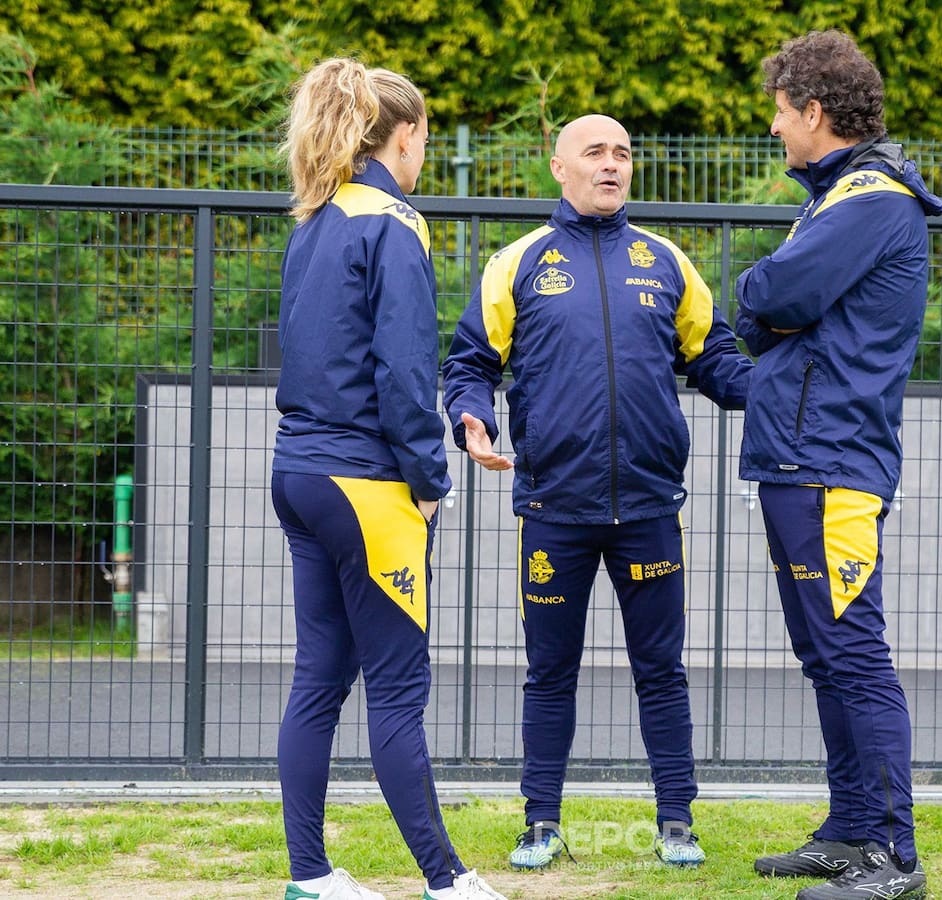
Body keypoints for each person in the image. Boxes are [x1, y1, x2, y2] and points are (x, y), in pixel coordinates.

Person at [442, 114, 753, 871]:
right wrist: (471, 417)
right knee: (550, 673)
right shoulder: (518, 262)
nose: (611, 165)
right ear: (560, 167)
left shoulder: (665, 260)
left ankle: (677, 822)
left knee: (662, 670)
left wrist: (776, 393)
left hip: (649, 507)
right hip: (554, 509)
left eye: (622, 154)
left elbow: (713, 355)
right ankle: (541, 823)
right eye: (595, 153)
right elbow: (471, 362)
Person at [271, 58, 507, 900]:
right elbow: (404, 371)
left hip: (298, 471)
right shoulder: (395, 222)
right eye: (425, 140)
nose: (424, 157)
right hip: (366, 485)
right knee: (399, 692)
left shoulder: (315, 216)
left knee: (319, 678)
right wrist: (430, 477)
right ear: (403, 136)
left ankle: (310, 876)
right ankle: (447, 881)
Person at [734, 31, 942, 900]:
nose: (775, 129)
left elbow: (770, 296)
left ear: (815, 112)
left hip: (830, 463)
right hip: (801, 459)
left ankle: (894, 857)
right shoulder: (841, 198)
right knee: (827, 655)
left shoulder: (868, 200)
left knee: (853, 656)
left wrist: (766, 296)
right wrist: (774, 305)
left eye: (781, 113)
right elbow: (773, 314)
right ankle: (852, 831)